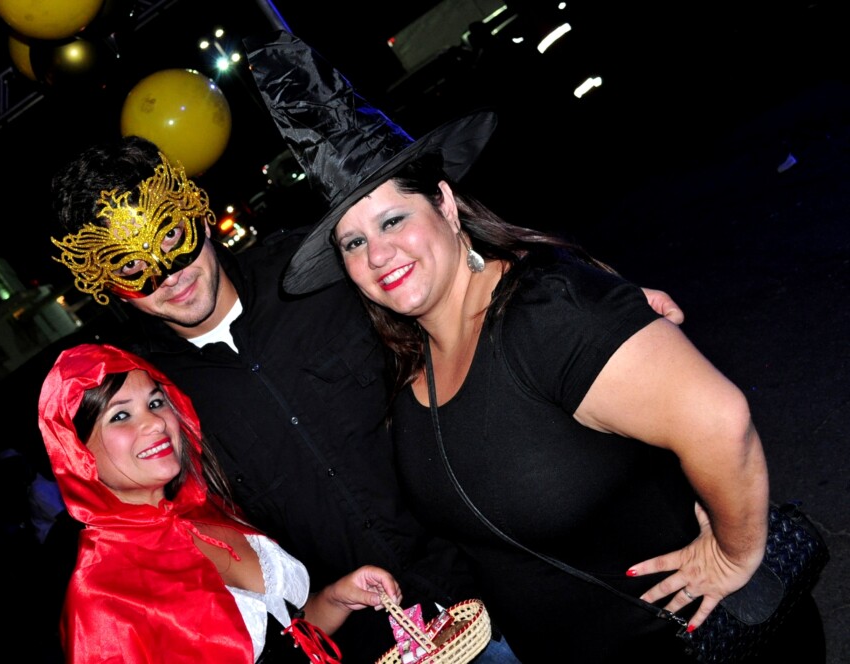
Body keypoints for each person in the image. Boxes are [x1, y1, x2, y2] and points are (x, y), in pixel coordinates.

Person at [243, 30, 827, 663]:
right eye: (354, 242)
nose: (379, 254)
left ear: (445, 204)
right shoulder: (413, 355)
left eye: (393, 219)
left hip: (701, 646)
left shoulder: (546, 314)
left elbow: (721, 420)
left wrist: (734, 554)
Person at [48, 107, 680, 663]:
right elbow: (144, 519)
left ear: (199, 215)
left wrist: (590, 296)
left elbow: (452, 277)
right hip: (386, 641)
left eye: (171, 238)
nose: (168, 274)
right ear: (109, 285)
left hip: (514, 580)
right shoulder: (153, 393)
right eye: (131, 267)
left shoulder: (318, 272)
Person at [36, 342, 402, 663]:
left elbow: (282, 638)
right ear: (76, 451)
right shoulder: (101, 594)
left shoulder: (207, 510)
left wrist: (337, 599)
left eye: (156, 402)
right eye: (120, 415)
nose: (156, 424)